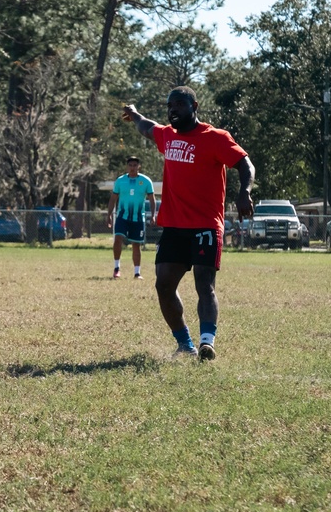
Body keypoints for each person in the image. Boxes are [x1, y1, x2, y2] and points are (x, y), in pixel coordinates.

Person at [121, 86, 254, 360]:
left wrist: (245, 193)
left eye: (180, 104)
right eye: (170, 105)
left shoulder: (215, 137)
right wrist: (134, 114)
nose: (173, 109)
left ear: (195, 106)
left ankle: (207, 342)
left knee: (204, 284)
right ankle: (185, 343)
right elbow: (147, 127)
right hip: (174, 226)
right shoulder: (167, 136)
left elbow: (245, 164)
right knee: (163, 285)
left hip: (206, 225)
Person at [106, 156, 156, 280]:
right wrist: (109, 215)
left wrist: (153, 215)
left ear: (139, 166)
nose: (132, 168)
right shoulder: (120, 181)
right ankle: (116, 268)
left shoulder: (145, 181)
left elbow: (152, 199)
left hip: (138, 218)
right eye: (130, 165)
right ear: (127, 167)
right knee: (118, 238)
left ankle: (137, 272)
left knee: (136, 244)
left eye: (135, 165)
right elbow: (113, 199)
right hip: (122, 217)